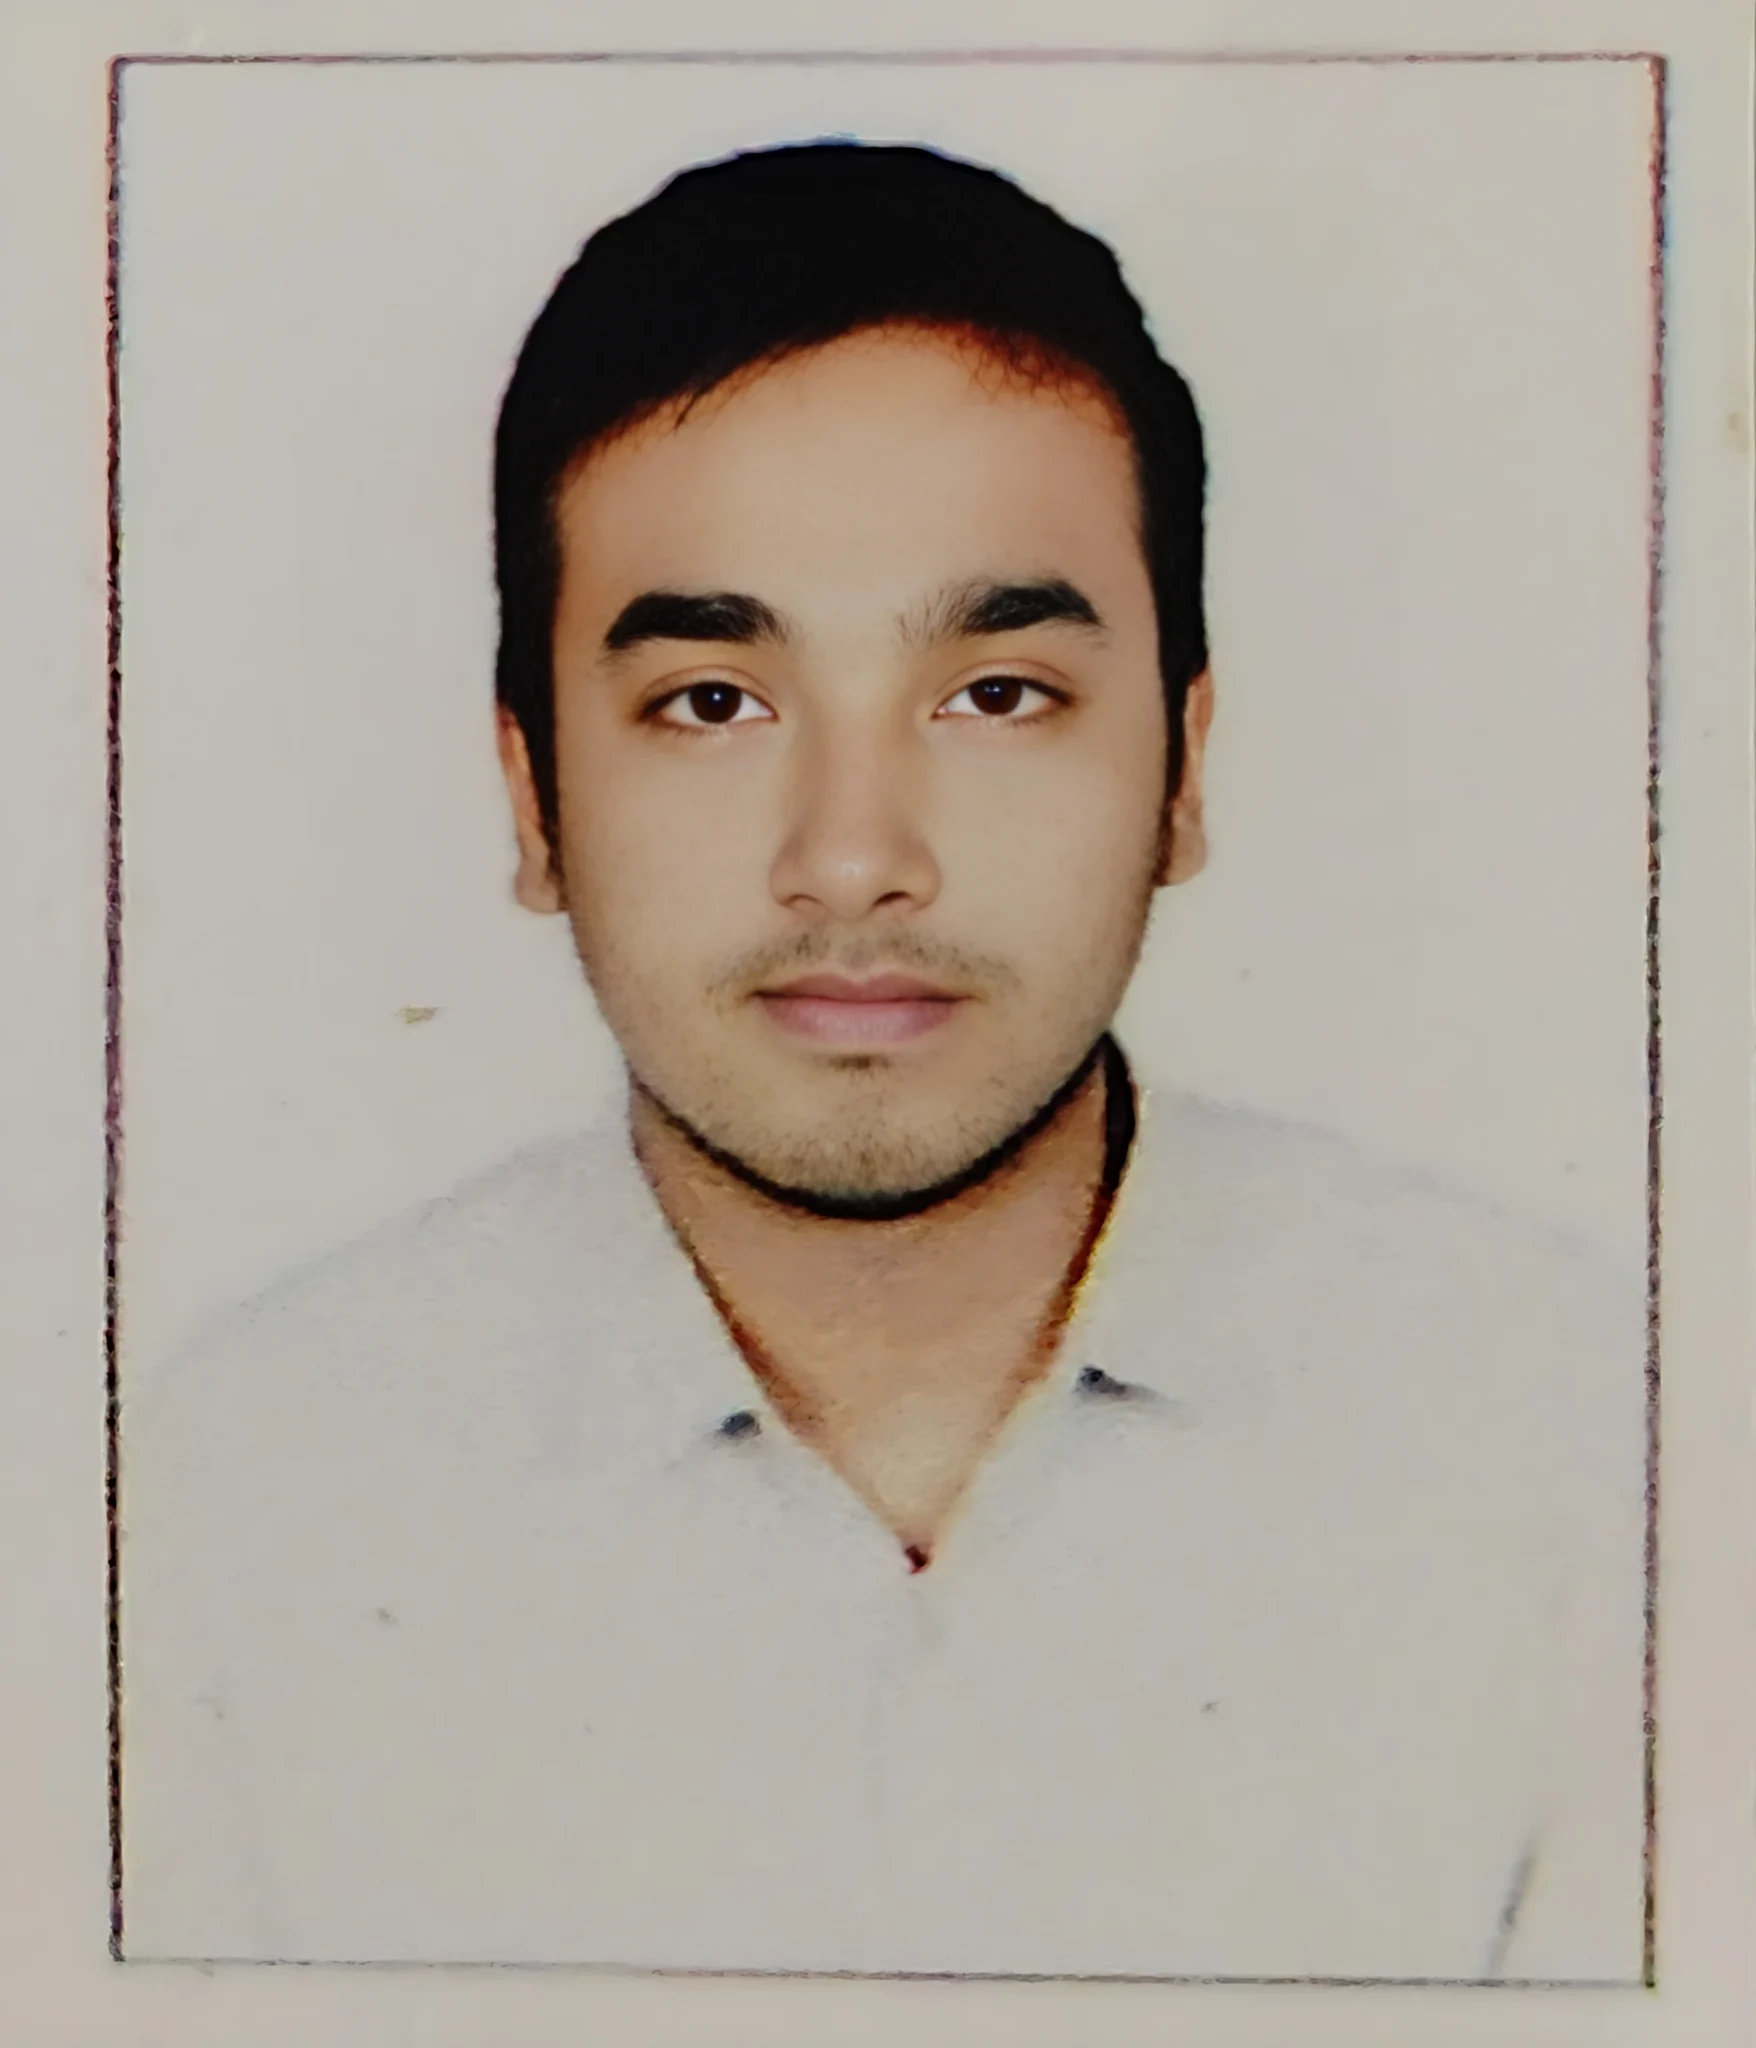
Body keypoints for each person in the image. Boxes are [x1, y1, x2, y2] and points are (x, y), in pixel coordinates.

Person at [121, 140, 1646, 1980]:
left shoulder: (1591, 1454)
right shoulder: (213, 1521)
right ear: (533, 797)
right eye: (713, 702)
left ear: (1183, 768)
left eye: (995, 696)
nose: (852, 858)